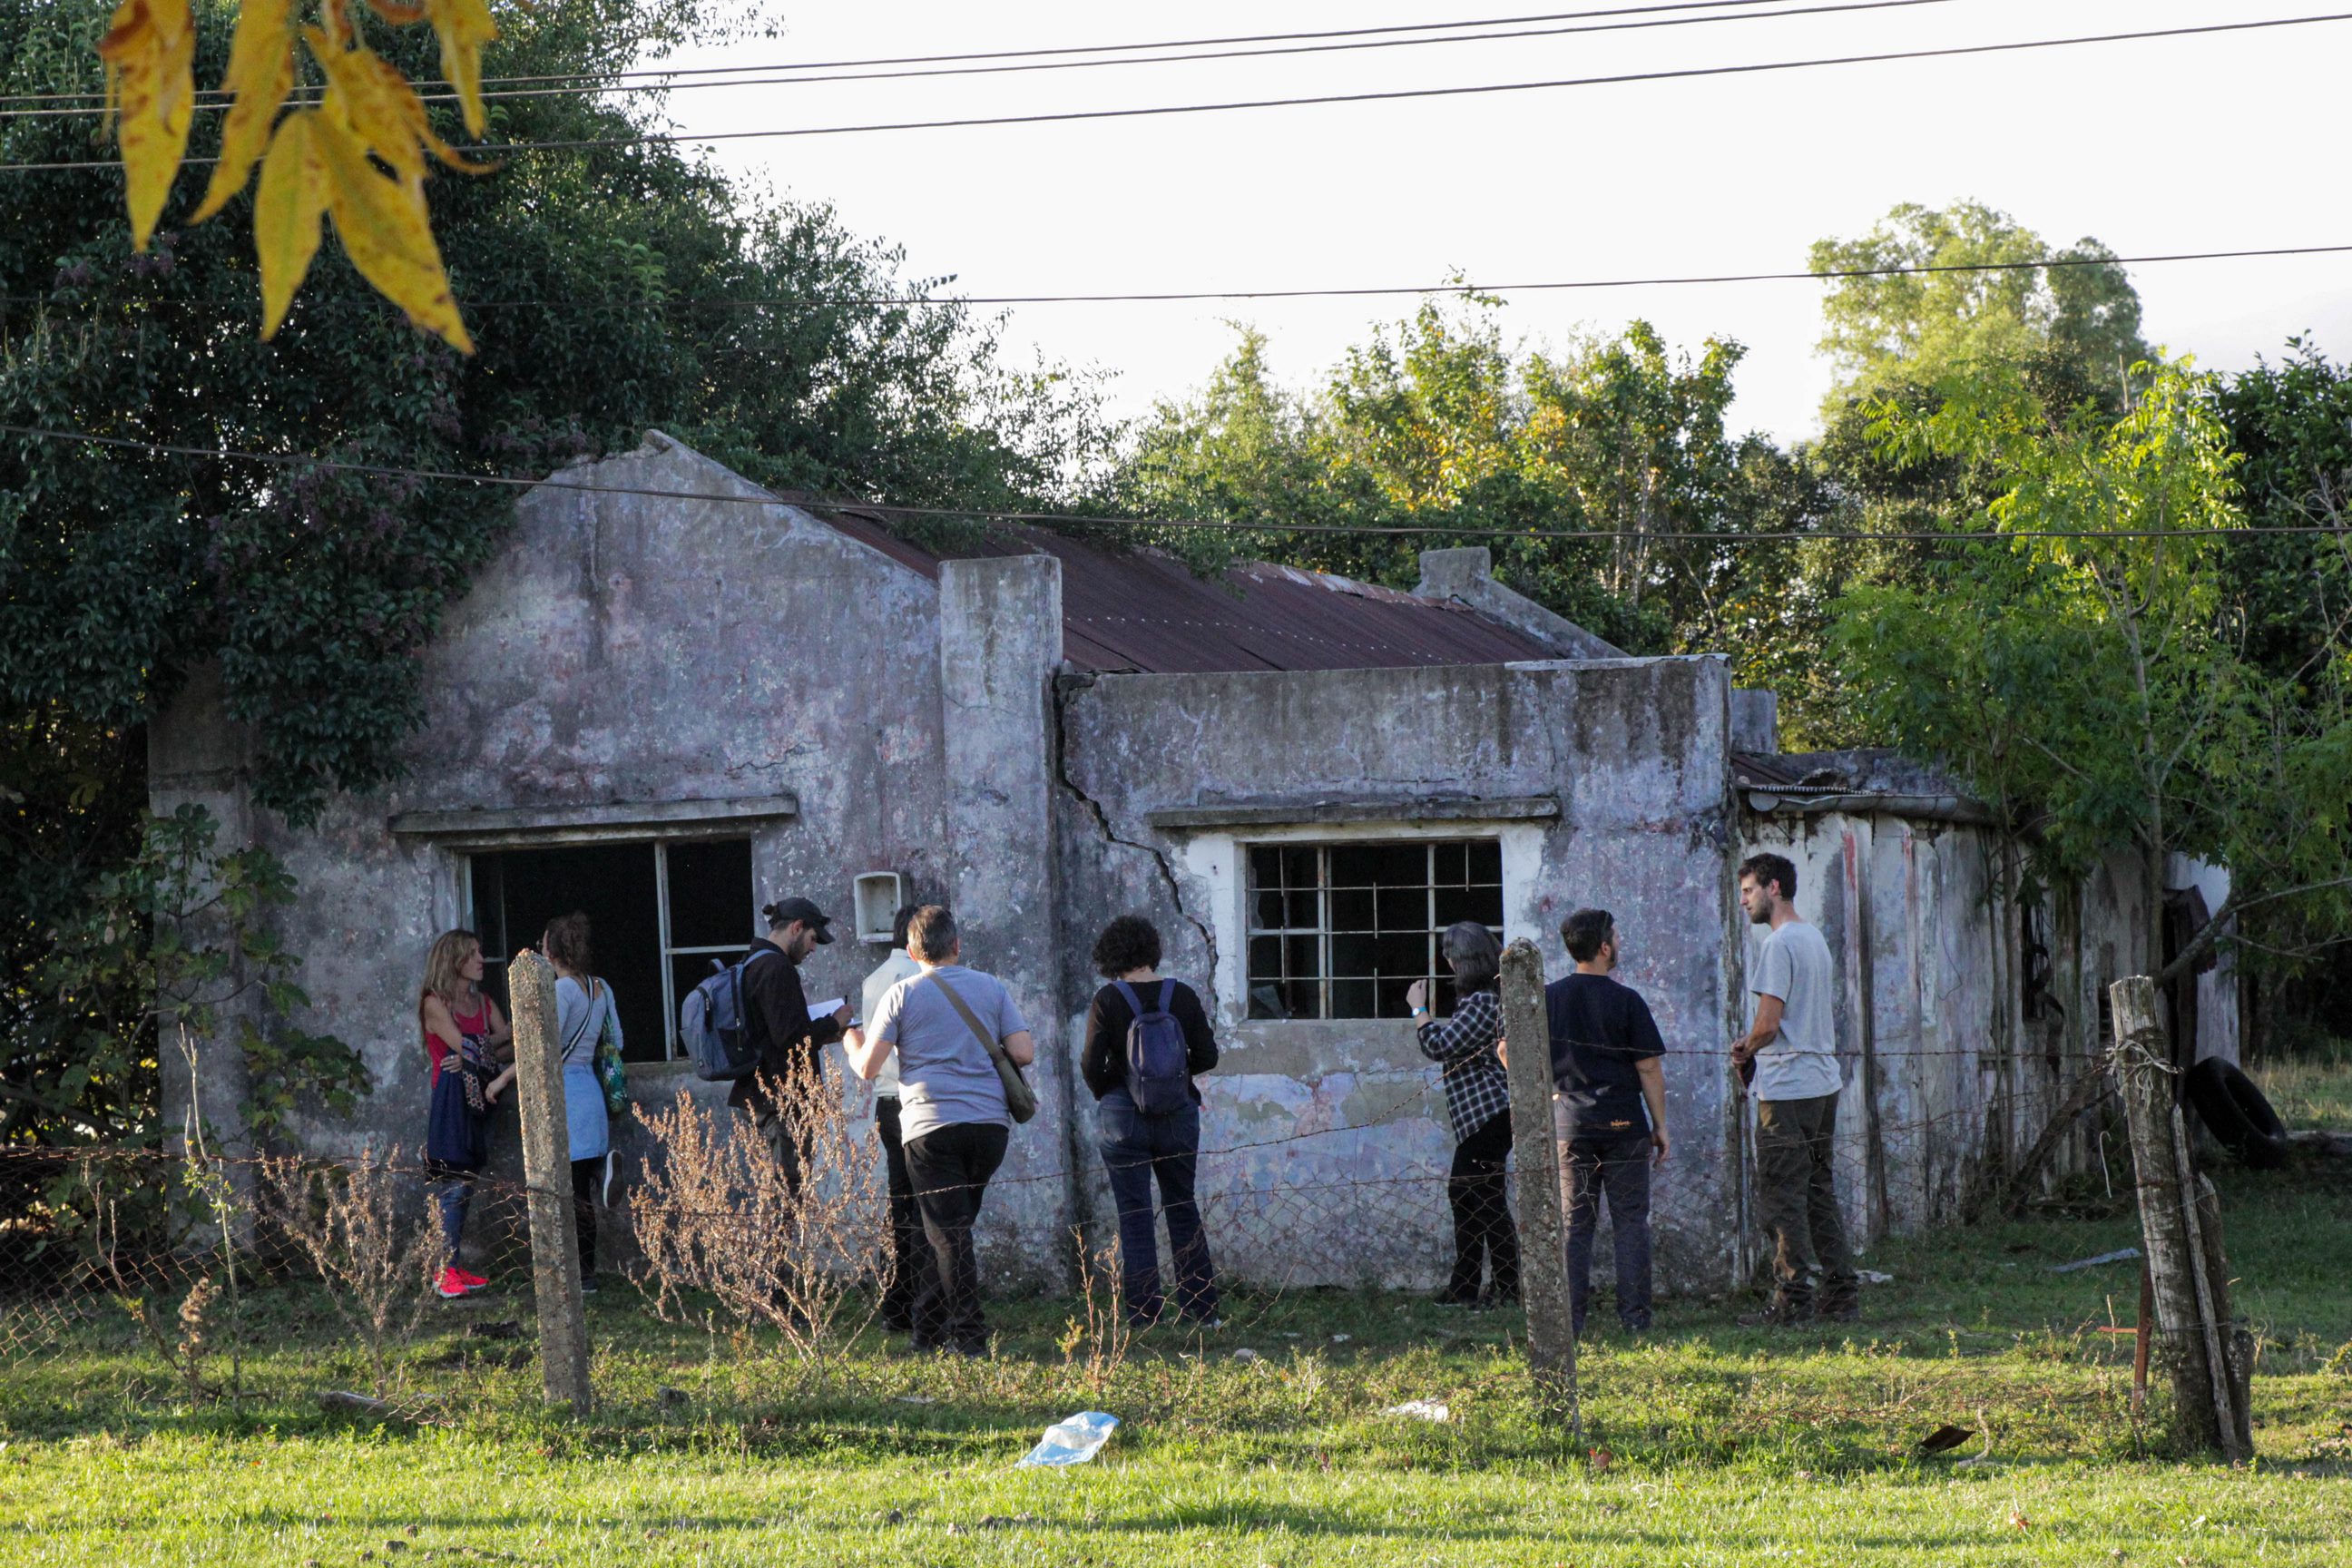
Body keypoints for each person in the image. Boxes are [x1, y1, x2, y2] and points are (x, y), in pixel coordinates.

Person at [846, 906, 1034, 1357]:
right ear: (957, 946)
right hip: (989, 1128)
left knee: (947, 1234)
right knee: (946, 1229)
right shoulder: (991, 988)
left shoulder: (901, 994)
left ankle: (969, 1339)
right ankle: (927, 1332)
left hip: (930, 1126)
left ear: (911, 952)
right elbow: (1023, 1053)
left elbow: (869, 1069)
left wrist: (850, 1037)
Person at [1732, 852, 1858, 1326]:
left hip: (1786, 1090)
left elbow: (1769, 1022)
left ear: (1774, 888)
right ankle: (1842, 1293)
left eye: (1749, 890)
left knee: (1783, 1195)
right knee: (1818, 1190)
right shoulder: (1814, 939)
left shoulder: (1779, 944)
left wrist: (1745, 1048)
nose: (1743, 901)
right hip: (1823, 1084)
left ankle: (1792, 1302)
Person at [1081, 914, 1220, 1328]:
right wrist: (1173, 1079)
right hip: (1178, 1112)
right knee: (1182, 1206)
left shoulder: (1108, 999)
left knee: (1134, 1213)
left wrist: (1115, 1087)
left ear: (1111, 956)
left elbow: (1090, 1063)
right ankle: (1201, 1311)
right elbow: (1208, 1056)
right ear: (1151, 951)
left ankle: (1145, 1315)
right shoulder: (1183, 995)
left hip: (1124, 1116)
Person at [1545, 909, 1669, 1336]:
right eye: (1615, 936)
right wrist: (1661, 1125)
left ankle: (1569, 1323)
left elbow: (1511, 1053)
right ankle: (1635, 1319)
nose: (1618, 943)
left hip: (1570, 1126)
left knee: (1574, 1225)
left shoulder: (1549, 998)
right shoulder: (1627, 1000)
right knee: (1630, 1222)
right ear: (1603, 948)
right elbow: (1649, 1068)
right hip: (1623, 1126)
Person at [1410, 922, 1519, 1308]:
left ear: (1465, 959)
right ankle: (1468, 1288)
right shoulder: (1485, 999)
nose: (1447, 961)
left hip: (1489, 1115)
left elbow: (1440, 1045)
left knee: (1484, 1200)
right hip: (1483, 1118)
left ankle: (1506, 1289)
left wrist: (1419, 1010)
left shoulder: (1482, 1002)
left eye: (1451, 954)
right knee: (1470, 1198)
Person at [728, 896, 853, 1194]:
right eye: (812, 939)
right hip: (780, 1103)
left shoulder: (753, 962)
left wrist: (822, 1033)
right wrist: (834, 1023)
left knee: (773, 1194)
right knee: (785, 1196)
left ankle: (773, 1242)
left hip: (759, 1097)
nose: (812, 948)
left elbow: (777, 1033)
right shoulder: (776, 968)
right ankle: (778, 1244)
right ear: (797, 927)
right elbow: (791, 1037)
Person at [418, 929, 512, 1300]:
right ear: (454, 960)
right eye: (473, 953)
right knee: (454, 1183)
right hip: (451, 1097)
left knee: (467, 1182)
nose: (481, 959)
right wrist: (486, 1047)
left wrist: (478, 1050)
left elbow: (498, 1048)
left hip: (482, 1098)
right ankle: (443, 1271)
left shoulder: (484, 1002)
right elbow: (474, 1047)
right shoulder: (434, 1002)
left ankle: (453, 1266)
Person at [848, 905, 924, 1332]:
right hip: (917, 1097)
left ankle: (896, 1302)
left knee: (899, 1202)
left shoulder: (874, 979)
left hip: (885, 1099)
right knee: (929, 1202)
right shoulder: (920, 978)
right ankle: (921, 1301)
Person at [543, 912, 617, 1293]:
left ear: (551, 951)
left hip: (567, 1095)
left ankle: (578, 1275)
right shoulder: (601, 987)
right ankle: (587, 1274)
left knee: (569, 1194)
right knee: (583, 1191)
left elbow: (546, 1045)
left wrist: (506, 1075)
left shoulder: (561, 991)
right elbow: (615, 1040)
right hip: (592, 1090)